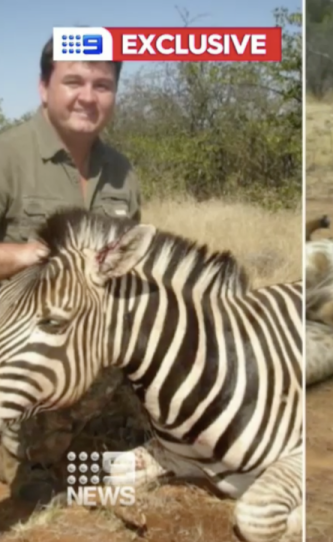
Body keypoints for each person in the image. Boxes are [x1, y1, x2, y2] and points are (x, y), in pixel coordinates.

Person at [0, 36, 142, 501]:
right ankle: (30, 464)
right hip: (21, 342)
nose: (88, 95)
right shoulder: (8, 156)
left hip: (89, 346)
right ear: (44, 87)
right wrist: (17, 256)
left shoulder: (122, 172)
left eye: (103, 84)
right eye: (74, 81)